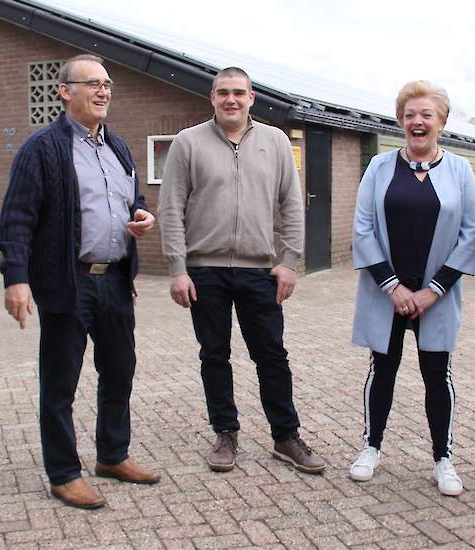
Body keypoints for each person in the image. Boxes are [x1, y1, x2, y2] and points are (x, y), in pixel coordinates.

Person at [0, 53, 159, 510]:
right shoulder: (42, 148)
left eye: (107, 83)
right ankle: (64, 473)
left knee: (119, 371)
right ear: (65, 91)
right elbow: (17, 218)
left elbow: (133, 199)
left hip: (115, 281)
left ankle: (112, 455)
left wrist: (140, 216)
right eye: (92, 83)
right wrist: (16, 279)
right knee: (60, 381)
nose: (103, 91)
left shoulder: (119, 147)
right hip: (68, 283)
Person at [158, 67, 325, 475]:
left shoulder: (275, 141)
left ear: (252, 98)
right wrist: (177, 268)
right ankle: (225, 434)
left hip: (259, 271)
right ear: (211, 98)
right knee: (214, 354)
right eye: (223, 93)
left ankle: (285, 437)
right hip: (204, 270)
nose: (230, 99)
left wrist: (289, 262)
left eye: (239, 93)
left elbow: (291, 204)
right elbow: (170, 207)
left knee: (271, 355)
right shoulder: (187, 142)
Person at [348, 81, 475, 496]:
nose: (417, 121)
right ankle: (371, 446)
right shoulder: (379, 167)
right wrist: (393, 287)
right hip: (386, 293)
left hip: (434, 297)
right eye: (409, 115)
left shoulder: (460, 170)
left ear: (441, 120)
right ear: (401, 121)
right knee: (381, 369)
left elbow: (470, 235)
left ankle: (443, 457)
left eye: (426, 114)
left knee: (437, 375)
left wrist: (432, 291)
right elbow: (363, 228)